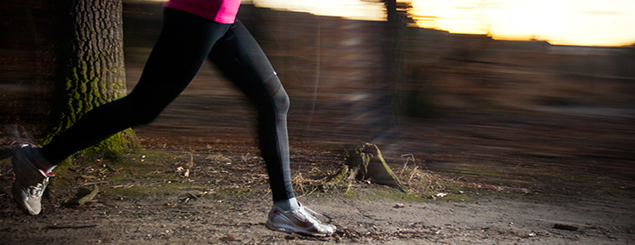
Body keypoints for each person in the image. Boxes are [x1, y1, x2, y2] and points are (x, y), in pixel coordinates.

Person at [11, 0, 335, 236]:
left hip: (224, 18)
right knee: (143, 107)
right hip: (195, 16)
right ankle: (39, 160)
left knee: (274, 100)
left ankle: (285, 207)